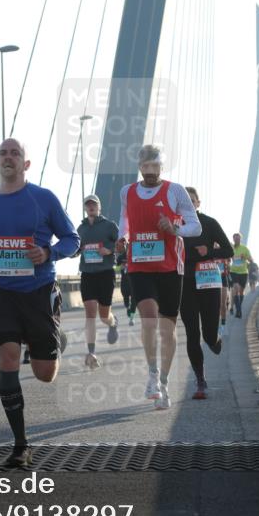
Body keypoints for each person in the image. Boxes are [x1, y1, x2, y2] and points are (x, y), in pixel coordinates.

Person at [0, 138, 80, 468]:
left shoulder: (43, 199)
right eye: (3, 153)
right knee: (9, 357)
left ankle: (57, 339)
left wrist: (49, 253)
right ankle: (20, 445)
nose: (8, 157)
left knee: (45, 374)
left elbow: (73, 240)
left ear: (26, 164)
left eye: (15, 153)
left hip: (39, 290)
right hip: (2, 292)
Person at [114, 145, 201, 410]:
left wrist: (175, 228)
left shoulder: (175, 191)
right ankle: (152, 374)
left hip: (170, 268)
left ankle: (163, 381)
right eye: (145, 166)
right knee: (148, 318)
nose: (150, 171)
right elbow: (125, 220)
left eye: (155, 166)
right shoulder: (127, 191)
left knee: (167, 329)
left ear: (162, 166)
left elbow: (194, 227)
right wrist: (124, 237)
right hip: (139, 265)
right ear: (140, 166)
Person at [179, 188, 233, 399]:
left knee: (209, 333)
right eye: (184, 202)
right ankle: (200, 381)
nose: (188, 204)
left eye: (192, 201)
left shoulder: (209, 223)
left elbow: (228, 250)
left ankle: (214, 339)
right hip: (184, 283)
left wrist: (208, 252)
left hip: (208, 281)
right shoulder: (176, 226)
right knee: (192, 333)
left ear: (198, 203)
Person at [75, 194, 119, 369]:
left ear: (99, 207)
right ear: (85, 208)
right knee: (90, 313)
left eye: (94, 204)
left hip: (106, 273)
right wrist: (76, 250)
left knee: (103, 315)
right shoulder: (80, 229)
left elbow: (123, 244)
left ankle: (112, 322)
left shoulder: (109, 226)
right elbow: (74, 250)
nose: (91, 207)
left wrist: (109, 250)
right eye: (88, 205)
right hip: (87, 273)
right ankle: (91, 351)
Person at [230, 232, 252, 318]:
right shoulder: (231, 249)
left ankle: (238, 307)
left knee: (241, 292)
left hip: (243, 272)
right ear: (233, 239)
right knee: (236, 289)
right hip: (234, 271)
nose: (236, 240)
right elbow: (227, 258)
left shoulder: (245, 249)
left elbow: (251, 260)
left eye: (238, 238)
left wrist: (245, 257)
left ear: (240, 239)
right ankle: (239, 311)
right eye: (235, 238)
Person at [115, 249, 136, 325]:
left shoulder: (136, 254)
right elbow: (115, 268)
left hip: (134, 282)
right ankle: (127, 307)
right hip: (124, 282)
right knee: (126, 300)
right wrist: (121, 266)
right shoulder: (120, 257)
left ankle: (132, 319)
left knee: (134, 301)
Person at [217, 253, 231, 335]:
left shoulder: (224, 250)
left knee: (223, 304)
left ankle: (223, 325)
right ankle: (217, 324)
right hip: (213, 278)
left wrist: (228, 265)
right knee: (217, 304)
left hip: (223, 278)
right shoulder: (210, 249)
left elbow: (230, 262)